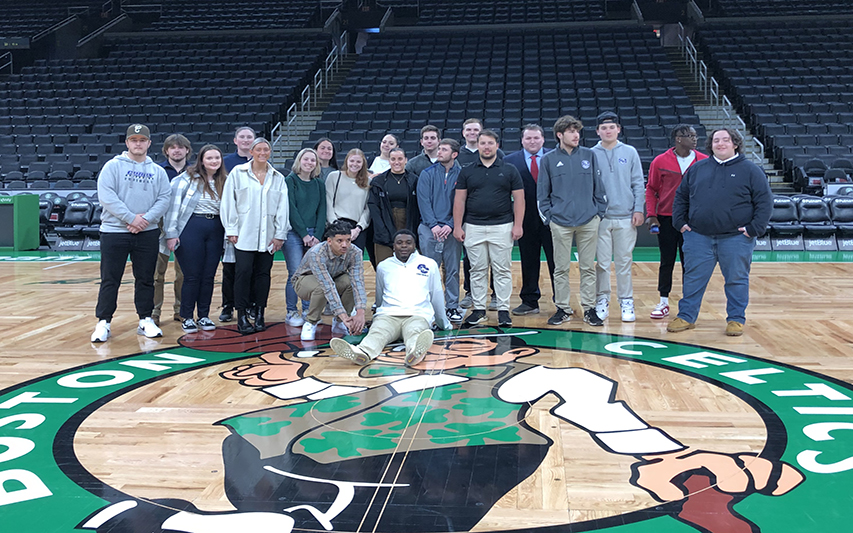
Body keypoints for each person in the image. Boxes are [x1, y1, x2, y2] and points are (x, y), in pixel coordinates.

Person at [667, 128, 772, 337]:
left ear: (735, 144)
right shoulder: (697, 169)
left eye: (726, 140)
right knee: (693, 279)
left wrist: (753, 229)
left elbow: (765, 202)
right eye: (716, 140)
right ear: (711, 144)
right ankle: (686, 316)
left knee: (736, 279)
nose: (720, 144)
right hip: (698, 236)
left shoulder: (751, 170)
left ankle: (735, 319)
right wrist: (680, 223)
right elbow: (681, 197)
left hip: (735, 238)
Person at [90, 124, 171, 343]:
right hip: (114, 231)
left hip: (147, 231)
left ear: (149, 143)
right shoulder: (112, 166)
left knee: (146, 278)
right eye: (134, 140)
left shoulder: (158, 171)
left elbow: (164, 198)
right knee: (110, 279)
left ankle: (145, 319)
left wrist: (144, 220)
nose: (138, 143)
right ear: (127, 143)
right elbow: (106, 196)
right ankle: (103, 322)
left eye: (142, 140)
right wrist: (131, 218)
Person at [330, 229, 451, 366]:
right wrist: (379, 314)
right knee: (377, 333)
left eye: (408, 243)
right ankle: (362, 353)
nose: (404, 246)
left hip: (417, 315)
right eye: (399, 243)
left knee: (415, 334)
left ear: (414, 245)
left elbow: (436, 295)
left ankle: (414, 353)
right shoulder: (384, 266)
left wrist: (443, 323)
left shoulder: (429, 264)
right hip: (388, 315)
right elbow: (380, 294)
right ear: (393, 246)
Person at [537, 115, 607, 327]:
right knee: (561, 268)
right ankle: (563, 308)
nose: (576, 135)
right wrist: (549, 218)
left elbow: (599, 186)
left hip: (588, 220)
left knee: (587, 267)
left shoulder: (589, 155)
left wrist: (599, 213)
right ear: (560, 134)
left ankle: (589, 308)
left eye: (577, 131)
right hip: (560, 222)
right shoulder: (548, 159)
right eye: (571, 131)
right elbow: (542, 193)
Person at [453, 129, 524, 329]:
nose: (486, 147)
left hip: (502, 226)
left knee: (502, 269)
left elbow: (519, 199)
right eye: (482, 143)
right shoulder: (467, 170)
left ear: (497, 145)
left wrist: (518, 224)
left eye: (490, 143)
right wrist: (457, 226)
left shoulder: (509, 170)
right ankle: (478, 310)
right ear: (478, 146)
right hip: (473, 227)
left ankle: (503, 310)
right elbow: (460, 199)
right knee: (477, 270)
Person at [221, 138, 290, 335]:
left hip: (268, 236)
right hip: (243, 234)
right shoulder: (237, 173)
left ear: (269, 152)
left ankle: (260, 314)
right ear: (251, 151)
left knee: (263, 276)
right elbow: (228, 202)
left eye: (265, 149)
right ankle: (241, 315)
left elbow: (282, 209)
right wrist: (231, 228)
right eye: (258, 149)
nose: (262, 152)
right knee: (242, 274)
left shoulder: (278, 177)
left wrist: (280, 234)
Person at [163, 144, 227, 333]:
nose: (214, 161)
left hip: (216, 229)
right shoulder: (186, 179)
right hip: (192, 227)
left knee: (209, 276)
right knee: (191, 276)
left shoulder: (226, 180)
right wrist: (171, 234)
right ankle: (187, 316)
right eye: (209, 158)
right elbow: (173, 208)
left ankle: (204, 315)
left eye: (217, 158)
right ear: (201, 160)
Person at [646, 124, 708, 319]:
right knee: (667, 261)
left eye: (695, 135)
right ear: (678, 139)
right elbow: (651, 189)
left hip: (693, 220)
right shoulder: (660, 161)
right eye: (689, 135)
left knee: (690, 263)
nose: (694, 139)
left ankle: (688, 304)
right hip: (666, 218)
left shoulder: (704, 161)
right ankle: (663, 301)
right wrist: (651, 214)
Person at [591, 112, 645, 323]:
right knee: (602, 263)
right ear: (598, 131)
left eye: (611, 127)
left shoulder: (630, 152)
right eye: (603, 128)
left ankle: (626, 301)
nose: (608, 131)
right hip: (600, 218)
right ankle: (602, 299)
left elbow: (638, 183)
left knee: (624, 262)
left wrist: (638, 209)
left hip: (625, 216)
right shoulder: (590, 153)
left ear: (618, 129)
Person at [504, 124, 555, 316]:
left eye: (536, 138)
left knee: (556, 262)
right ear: (522, 140)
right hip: (524, 219)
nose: (532, 142)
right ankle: (529, 300)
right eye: (528, 138)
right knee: (528, 260)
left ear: (543, 139)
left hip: (552, 218)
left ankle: (561, 301)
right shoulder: (510, 161)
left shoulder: (554, 156)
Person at [292, 219, 368, 341]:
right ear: (329, 241)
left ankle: (339, 324)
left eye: (348, 240)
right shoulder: (317, 253)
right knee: (321, 287)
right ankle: (311, 322)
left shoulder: (355, 252)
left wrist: (361, 312)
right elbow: (327, 286)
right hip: (304, 281)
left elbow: (358, 281)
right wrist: (342, 314)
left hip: (333, 278)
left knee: (350, 282)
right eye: (340, 241)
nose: (345, 245)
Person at [417, 138, 463, 323]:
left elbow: (462, 203)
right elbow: (423, 201)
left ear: (454, 154)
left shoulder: (462, 175)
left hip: (452, 229)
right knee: (429, 270)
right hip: (430, 228)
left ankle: (452, 306)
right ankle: (429, 306)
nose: (439, 151)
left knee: (452, 270)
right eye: (439, 149)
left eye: (444, 149)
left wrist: (451, 224)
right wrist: (433, 224)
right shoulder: (426, 174)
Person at [152, 133, 192, 326]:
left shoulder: (194, 172)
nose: (177, 150)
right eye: (172, 147)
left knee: (183, 273)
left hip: (185, 226)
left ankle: (181, 310)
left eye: (180, 147)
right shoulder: (157, 171)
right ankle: (153, 312)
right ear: (166, 150)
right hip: (158, 226)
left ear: (187, 150)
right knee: (155, 274)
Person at [283, 148, 326, 327]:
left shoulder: (318, 183)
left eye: (313, 160)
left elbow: (322, 210)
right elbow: (291, 209)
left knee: (311, 273)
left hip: (314, 233)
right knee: (295, 273)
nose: (309, 163)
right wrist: (304, 234)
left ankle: (309, 310)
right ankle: (291, 311)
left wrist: (316, 235)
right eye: (306, 159)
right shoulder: (290, 181)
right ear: (299, 161)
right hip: (294, 232)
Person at [220, 127, 257, 322]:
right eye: (242, 137)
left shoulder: (262, 163)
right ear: (235, 140)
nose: (245, 140)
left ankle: (249, 304)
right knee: (230, 267)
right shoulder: (226, 163)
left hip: (253, 223)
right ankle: (228, 305)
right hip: (232, 222)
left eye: (249, 137)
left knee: (250, 268)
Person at [368, 147, 420, 264]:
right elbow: (374, 207)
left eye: (400, 159)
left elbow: (417, 207)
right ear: (389, 161)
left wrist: (412, 231)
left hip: (407, 225)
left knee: (407, 268)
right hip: (384, 227)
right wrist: (382, 231)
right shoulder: (379, 181)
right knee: (385, 267)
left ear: (406, 160)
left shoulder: (414, 180)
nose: (397, 162)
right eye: (393, 159)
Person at [326, 148, 371, 254]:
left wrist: (359, 228)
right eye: (352, 161)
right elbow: (328, 202)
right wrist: (336, 225)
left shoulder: (368, 181)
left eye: (358, 161)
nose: (354, 164)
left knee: (355, 263)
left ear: (363, 163)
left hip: (356, 228)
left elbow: (367, 208)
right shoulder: (334, 177)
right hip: (337, 224)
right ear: (346, 161)